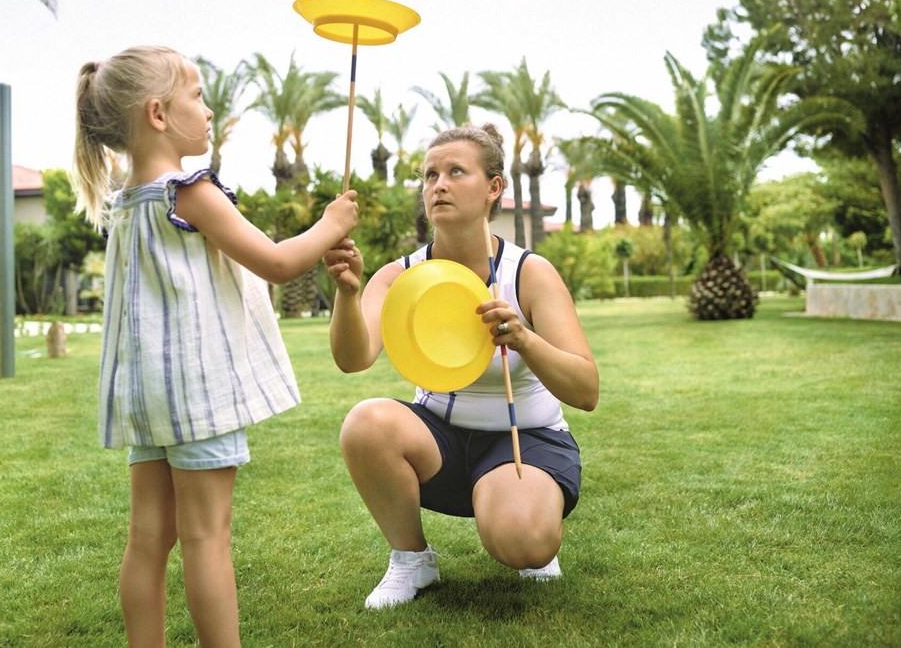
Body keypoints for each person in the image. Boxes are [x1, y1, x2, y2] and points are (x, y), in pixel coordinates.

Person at [72, 45, 358, 647]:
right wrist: (331, 224)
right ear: (157, 113)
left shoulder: (129, 201)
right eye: (197, 96)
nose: (208, 110)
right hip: (198, 394)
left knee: (148, 537)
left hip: (149, 396)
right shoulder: (189, 193)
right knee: (207, 537)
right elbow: (278, 263)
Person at [323, 122, 598, 609]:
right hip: (440, 441)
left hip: (525, 438)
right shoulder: (399, 275)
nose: (439, 185)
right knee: (366, 422)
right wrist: (348, 295)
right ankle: (412, 560)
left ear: (493, 188)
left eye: (455, 172)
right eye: (430, 175)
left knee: (524, 544)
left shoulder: (528, 273)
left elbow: (586, 390)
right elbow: (353, 358)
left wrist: (525, 340)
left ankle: (528, 515)